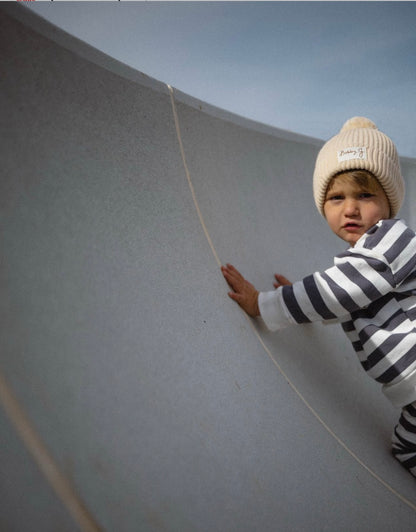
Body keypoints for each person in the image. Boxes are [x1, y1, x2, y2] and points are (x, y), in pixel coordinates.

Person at [221, 117, 416, 478]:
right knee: (407, 449)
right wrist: (300, 301)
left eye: (365, 195)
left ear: (389, 203)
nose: (350, 208)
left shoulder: (393, 241)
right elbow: (349, 301)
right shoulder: (367, 260)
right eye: (336, 197)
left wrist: (263, 304)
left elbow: (334, 292)